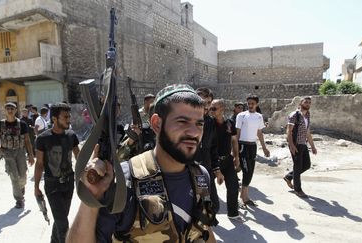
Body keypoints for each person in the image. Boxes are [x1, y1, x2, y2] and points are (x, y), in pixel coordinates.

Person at [66, 84, 217, 243]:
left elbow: (204, 230)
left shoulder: (200, 175)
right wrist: (91, 199)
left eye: (199, 124)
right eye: (182, 121)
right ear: (157, 123)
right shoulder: (123, 182)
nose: (194, 132)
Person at [35, 102, 80, 243]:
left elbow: (79, 157)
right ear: (54, 119)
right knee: (63, 225)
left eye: (69, 116)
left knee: (61, 218)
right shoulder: (42, 138)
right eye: (65, 117)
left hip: (68, 184)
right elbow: (40, 164)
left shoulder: (71, 135)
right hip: (52, 186)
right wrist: (36, 187)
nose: (69, 120)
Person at [0, 102, 35, 208]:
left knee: (23, 176)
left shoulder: (22, 124)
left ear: (16, 110)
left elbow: (27, 140)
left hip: (20, 152)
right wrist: (0, 148)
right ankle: (19, 199)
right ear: (5, 110)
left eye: (12, 108)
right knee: (14, 177)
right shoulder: (0, 124)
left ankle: (21, 187)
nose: (10, 110)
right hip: (7, 153)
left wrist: (30, 155)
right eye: (8, 108)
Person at [209, 99, 243, 221]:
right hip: (212, 161)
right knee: (208, 189)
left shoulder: (229, 123)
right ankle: (209, 216)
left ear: (222, 109)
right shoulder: (209, 124)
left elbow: (234, 140)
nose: (211, 110)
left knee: (233, 187)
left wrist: (237, 157)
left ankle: (233, 213)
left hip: (227, 160)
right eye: (210, 108)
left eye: (214, 108)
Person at [236, 95, 270, 208]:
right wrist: (235, 152)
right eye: (249, 103)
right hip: (243, 146)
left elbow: (259, 133)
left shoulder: (259, 117)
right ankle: (243, 197)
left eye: (252, 103)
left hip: (253, 146)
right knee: (246, 171)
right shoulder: (241, 116)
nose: (250, 105)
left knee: (250, 172)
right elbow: (237, 133)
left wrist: (264, 148)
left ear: (257, 104)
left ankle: (245, 197)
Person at [195, 87, 223, 219]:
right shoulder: (185, 121)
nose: (205, 106)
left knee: (213, 205)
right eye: (201, 102)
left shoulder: (210, 122)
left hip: (205, 168)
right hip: (189, 169)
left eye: (208, 103)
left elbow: (212, 148)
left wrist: (217, 170)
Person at [283, 96, 317, 198]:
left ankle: (289, 177)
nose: (308, 104)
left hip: (303, 143)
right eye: (306, 102)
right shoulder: (295, 115)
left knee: (306, 165)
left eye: (309, 103)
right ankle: (298, 189)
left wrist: (313, 146)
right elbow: (289, 131)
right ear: (300, 103)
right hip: (296, 144)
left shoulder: (307, 115)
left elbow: (307, 132)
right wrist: (292, 145)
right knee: (297, 167)